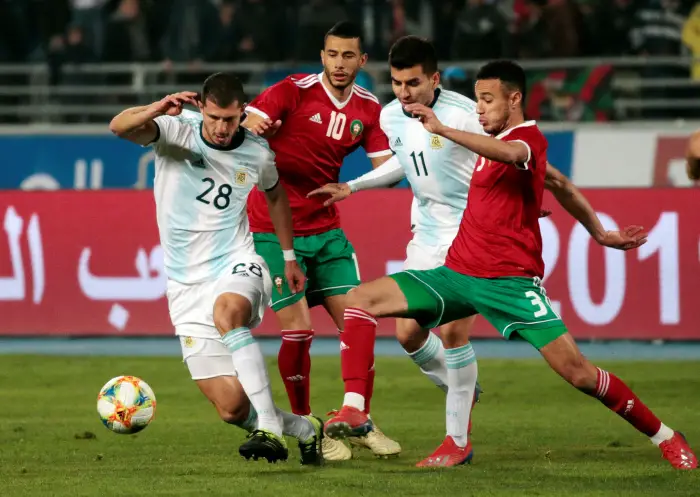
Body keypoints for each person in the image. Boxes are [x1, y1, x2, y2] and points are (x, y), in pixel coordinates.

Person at [322, 60, 697, 470]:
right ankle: (360, 410)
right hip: (458, 274)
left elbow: (513, 154)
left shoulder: (527, 139)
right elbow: (561, 185)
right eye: (477, 100)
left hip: (510, 284)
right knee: (360, 300)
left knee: (579, 374)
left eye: (487, 100)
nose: (478, 109)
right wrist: (600, 232)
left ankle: (665, 436)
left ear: (514, 99)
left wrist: (444, 129)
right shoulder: (488, 137)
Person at [109, 73, 324, 465]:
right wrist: (158, 107)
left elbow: (275, 195)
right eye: (214, 118)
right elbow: (119, 126)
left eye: (230, 119)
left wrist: (288, 257)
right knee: (232, 409)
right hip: (185, 285)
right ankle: (303, 428)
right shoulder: (176, 131)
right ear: (201, 109)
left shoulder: (257, 152)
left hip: (236, 262)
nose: (222, 128)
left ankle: (271, 433)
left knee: (227, 312)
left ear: (243, 113)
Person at [242, 21, 402, 459]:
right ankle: (310, 426)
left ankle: (357, 416)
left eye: (349, 56)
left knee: (359, 318)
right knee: (299, 331)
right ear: (323, 55)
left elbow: (389, 169)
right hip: (274, 231)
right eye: (333, 54)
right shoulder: (293, 90)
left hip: (326, 231)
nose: (339, 64)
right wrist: (254, 133)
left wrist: (352, 187)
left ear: (362, 61)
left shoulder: (369, 109)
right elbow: (247, 127)